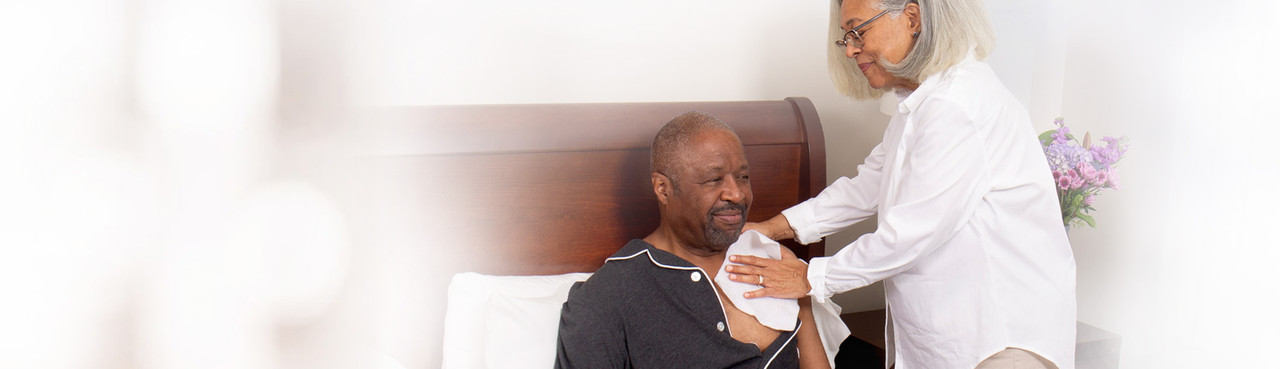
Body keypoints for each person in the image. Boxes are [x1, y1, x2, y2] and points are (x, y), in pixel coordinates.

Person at [723, 1, 1077, 369]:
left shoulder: (956, 105)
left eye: (859, 31)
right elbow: (867, 187)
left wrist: (810, 277)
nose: (850, 49)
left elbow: (911, 233)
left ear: (912, 18)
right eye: (846, 36)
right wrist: (771, 228)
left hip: (999, 336)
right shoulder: (923, 103)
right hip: (954, 333)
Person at [555, 112, 831, 369]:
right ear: (663, 189)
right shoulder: (607, 296)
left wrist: (800, 290)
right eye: (714, 179)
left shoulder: (774, 263)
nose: (737, 194)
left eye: (743, 177)